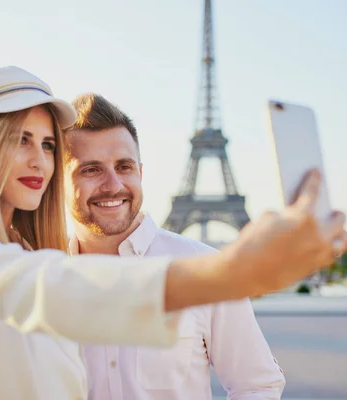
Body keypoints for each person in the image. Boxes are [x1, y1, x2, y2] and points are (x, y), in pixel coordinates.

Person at [0, 65, 347, 400]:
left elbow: (257, 384)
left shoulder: (24, 253)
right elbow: (43, 289)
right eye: (19, 139)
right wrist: (233, 272)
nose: (37, 160)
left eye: (47, 144)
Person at [64, 93, 285, 399]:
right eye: (91, 169)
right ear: (56, 181)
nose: (113, 184)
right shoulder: (39, 276)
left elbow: (258, 385)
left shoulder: (207, 268)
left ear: (141, 172)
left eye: (124, 167)